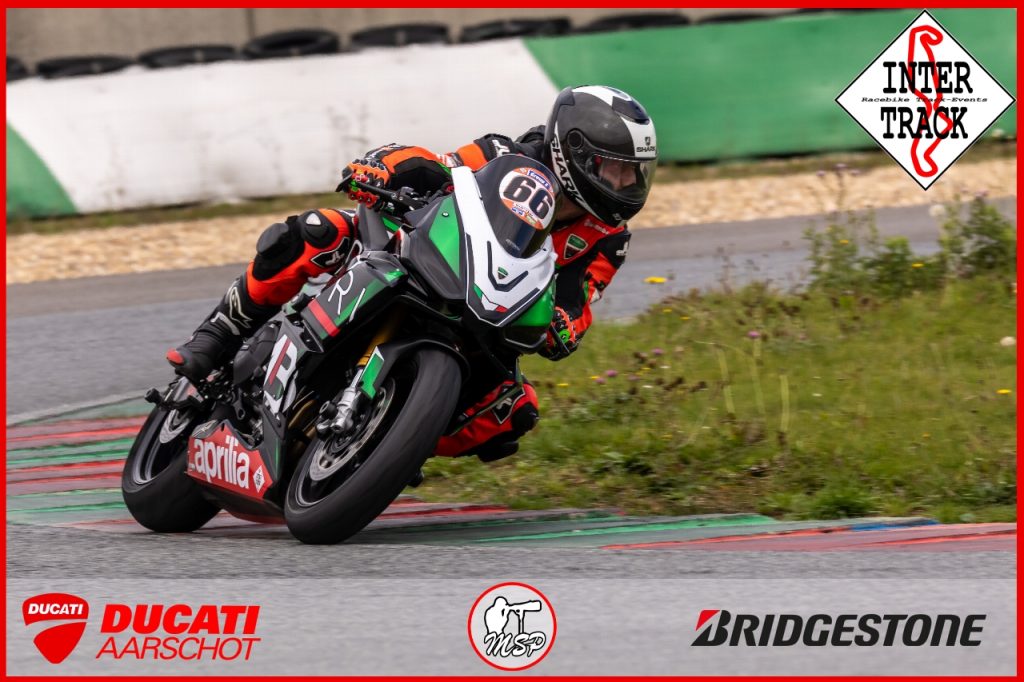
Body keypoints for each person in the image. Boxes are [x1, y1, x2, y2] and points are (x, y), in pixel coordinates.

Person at [167, 85, 657, 461]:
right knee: (316, 233)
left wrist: (564, 327)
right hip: (424, 255)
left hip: (489, 319)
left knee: (513, 409)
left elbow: (579, 301)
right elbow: (441, 166)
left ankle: (390, 444)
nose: (625, 184)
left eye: (633, 173)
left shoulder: (608, 239)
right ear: (576, 153)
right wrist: (384, 168)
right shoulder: (506, 155)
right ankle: (220, 332)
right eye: (614, 169)